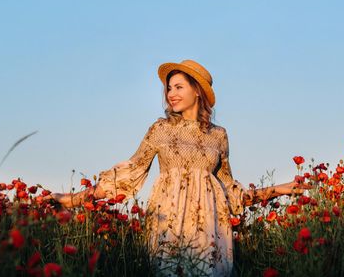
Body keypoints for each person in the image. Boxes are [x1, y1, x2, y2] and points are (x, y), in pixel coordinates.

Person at [47, 60, 305, 276]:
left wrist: (279, 189)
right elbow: (126, 177)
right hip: (167, 225)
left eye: (179, 87)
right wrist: (71, 200)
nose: (171, 94)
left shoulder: (219, 136)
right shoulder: (160, 130)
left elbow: (231, 194)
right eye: (169, 88)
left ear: (197, 91)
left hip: (210, 230)